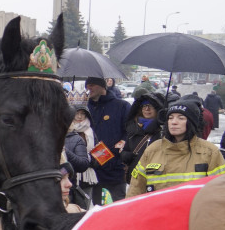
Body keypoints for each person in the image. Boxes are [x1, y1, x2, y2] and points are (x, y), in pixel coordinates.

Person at [128, 99, 225, 196]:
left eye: (181, 118)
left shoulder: (209, 152)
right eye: (170, 118)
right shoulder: (153, 150)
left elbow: (223, 190)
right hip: (159, 212)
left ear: (191, 122)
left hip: (194, 213)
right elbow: (136, 188)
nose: (174, 122)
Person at [85, 76, 130, 204]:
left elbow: (130, 131)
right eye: (87, 85)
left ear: (102, 86)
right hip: (91, 170)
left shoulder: (121, 106)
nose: (88, 88)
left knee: (117, 209)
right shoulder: (84, 108)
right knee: (97, 209)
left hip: (114, 169)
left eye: (92, 84)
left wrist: (122, 143)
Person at [120, 92, 164, 184]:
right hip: (135, 178)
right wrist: (126, 155)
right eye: (144, 106)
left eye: (151, 106)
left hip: (154, 179)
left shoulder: (162, 131)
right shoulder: (134, 128)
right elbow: (126, 149)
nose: (147, 109)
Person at [65, 95, 97, 209]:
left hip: (87, 175)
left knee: (83, 206)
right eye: (76, 113)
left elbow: (99, 152)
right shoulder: (62, 133)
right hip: (68, 176)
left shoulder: (90, 132)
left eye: (82, 114)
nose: (79, 116)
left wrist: (92, 159)